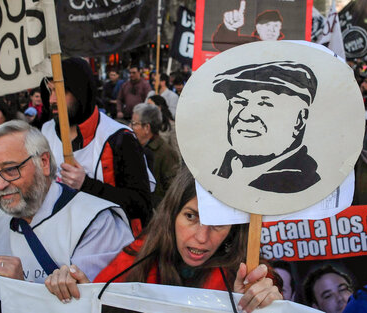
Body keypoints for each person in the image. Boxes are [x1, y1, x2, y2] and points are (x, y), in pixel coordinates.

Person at [44, 167, 283, 313]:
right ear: (172, 214)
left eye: (218, 223)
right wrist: (79, 293)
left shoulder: (252, 275)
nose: (201, 238)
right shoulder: (138, 256)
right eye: (191, 216)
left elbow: (265, 295)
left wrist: (262, 305)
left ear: (233, 229)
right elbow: (98, 300)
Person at [0, 121, 133, 283]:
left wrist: (19, 288)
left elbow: (100, 304)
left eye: (11, 170)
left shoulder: (96, 223)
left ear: (44, 162)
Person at [40, 57, 154, 231]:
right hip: (60, 238)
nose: (52, 100)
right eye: (50, 91)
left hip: (111, 245)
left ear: (80, 92)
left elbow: (141, 205)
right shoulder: (46, 131)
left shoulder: (119, 139)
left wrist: (86, 185)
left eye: (61, 92)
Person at [212, 61, 320, 193]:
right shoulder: (216, 172)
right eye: (239, 102)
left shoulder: (307, 188)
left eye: (264, 104)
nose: (245, 115)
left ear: (299, 120)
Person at [131, 103, 179, 198]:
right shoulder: (134, 148)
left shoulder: (166, 153)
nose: (131, 128)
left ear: (147, 128)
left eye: (134, 124)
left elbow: (172, 192)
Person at [212, 0, 284, 52]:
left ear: (280, 28)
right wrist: (230, 28)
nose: (271, 29)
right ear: (258, 28)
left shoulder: (287, 46)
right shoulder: (247, 44)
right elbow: (223, 45)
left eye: (276, 25)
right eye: (267, 25)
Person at [147, 95, 181, 162]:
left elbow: (175, 150)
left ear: (159, 107)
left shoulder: (171, 126)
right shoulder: (145, 124)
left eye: (150, 105)